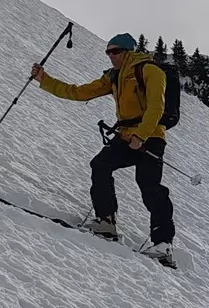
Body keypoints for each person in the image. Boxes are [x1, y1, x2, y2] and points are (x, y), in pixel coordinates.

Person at [33, 32, 175, 259]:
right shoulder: (114, 77)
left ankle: (163, 244)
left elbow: (156, 107)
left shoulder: (150, 70)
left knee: (149, 186)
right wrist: (45, 80)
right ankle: (106, 222)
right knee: (100, 165)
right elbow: (79, 92)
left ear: (129, 52)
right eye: (108, 51)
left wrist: (142, 135)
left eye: (115, 51)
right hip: (125, 135)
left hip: (151, 136)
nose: (111, 56)